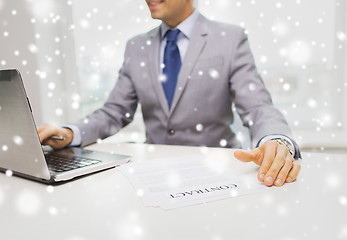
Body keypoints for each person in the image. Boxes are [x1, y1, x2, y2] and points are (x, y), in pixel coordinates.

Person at [38, 0, 301, 187]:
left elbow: (257, 106)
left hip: (218, 173)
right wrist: (71, 133)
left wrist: (276, 140)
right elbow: (115, 111)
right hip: (154, 175)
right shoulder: (136, 47)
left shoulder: (230, 38)